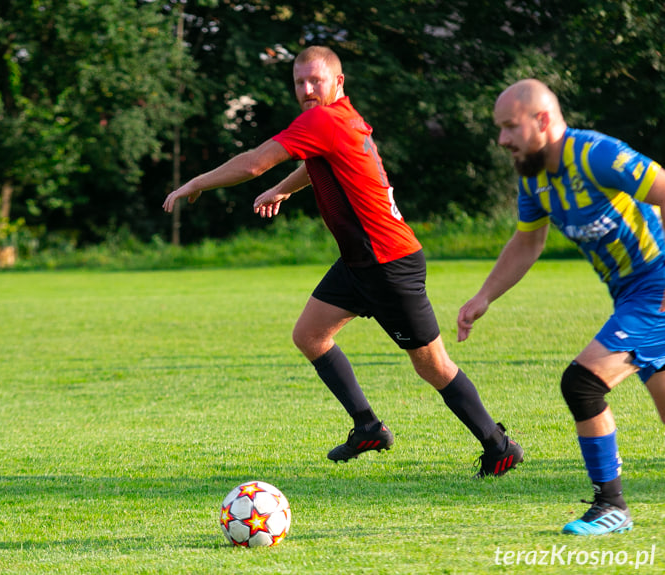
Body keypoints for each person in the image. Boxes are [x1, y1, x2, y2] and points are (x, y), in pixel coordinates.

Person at [163, 45, 522, 478]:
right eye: (300, 82)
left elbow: (255, 163)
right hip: (359, 263)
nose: (308, 89)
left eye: (316, 80)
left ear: (338, 82)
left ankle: (499, 447)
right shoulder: (338, 118)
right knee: (310, 335)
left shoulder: (322, 118)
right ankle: (368, 426)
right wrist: (284, 190)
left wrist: (196, 183)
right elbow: (317, 161)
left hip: (389, 264)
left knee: (433, 365)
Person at [457, 78, 665, 535]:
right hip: (630, 294)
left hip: (657, 287)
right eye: (500, 129)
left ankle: (611, 506)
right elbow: (528, 241)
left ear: (543, 121)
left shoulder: (596, 155)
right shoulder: (535, 178)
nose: (502, 139)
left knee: (582, 384)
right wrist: (484, 296)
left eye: (510, 127)